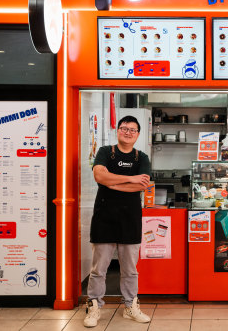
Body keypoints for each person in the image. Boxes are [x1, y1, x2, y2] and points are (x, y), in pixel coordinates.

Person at [83, 115, 151, 327]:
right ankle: (94, 307)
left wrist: (112, 183)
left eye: (132, 129)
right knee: (98, 269)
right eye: (124, 128)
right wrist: (130, 178)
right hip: (104, 217)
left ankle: (131, 306)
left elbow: (142, 186)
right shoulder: (105, 151)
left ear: (138, 134)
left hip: (130, 219)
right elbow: (99, 176)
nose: (128, 132)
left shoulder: (142, 158)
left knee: (130, 269)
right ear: (118, 131)